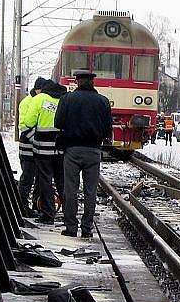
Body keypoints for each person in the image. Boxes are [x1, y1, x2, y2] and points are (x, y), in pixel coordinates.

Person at [54, 69, 112, 238]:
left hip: (72, 150)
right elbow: (108, 129)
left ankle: (71, 228)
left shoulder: (67, 99)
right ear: (92, 82)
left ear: (77, 81)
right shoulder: (103, 101)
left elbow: (58, 122)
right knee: (90, 190)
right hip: (93, 150)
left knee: (70, 189)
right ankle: (87, 229)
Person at [21, 79, 66, 224]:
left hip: (42, 149)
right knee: (62, 181)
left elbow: (28, 122)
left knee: (45, 180)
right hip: (60, 150)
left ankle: (48, 214)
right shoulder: (64, 99)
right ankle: (68, 214)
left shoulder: (40, 99)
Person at [18, 77, 47, 215]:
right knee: (27, 178)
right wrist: (37, 140)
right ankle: (22, 206)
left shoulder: (40, 101)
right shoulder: (26, 103)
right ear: (37, 89)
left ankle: (36, 205)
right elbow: (24, 125)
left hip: (37, 149)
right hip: (28, 148)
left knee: (39, 180)